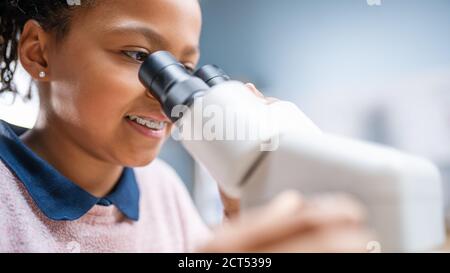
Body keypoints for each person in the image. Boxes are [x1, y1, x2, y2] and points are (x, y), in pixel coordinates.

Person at [0, 0, 372, 252]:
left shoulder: (162, 189)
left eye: (186, 69)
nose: (167, 96)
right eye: (138, 56)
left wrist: (246, 215)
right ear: (39, 52)